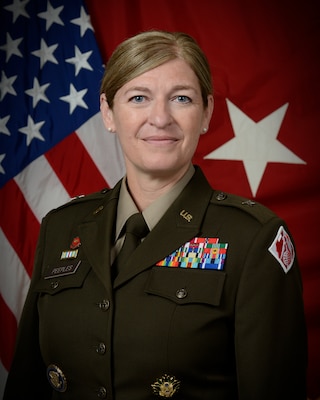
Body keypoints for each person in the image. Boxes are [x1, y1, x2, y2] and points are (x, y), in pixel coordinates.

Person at [3, 30, 307, 400]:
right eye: (138, 98)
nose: (160, 118)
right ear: (108, 113)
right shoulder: (61, 227)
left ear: (206, 112)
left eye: (181, 98)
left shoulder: (254, 238)